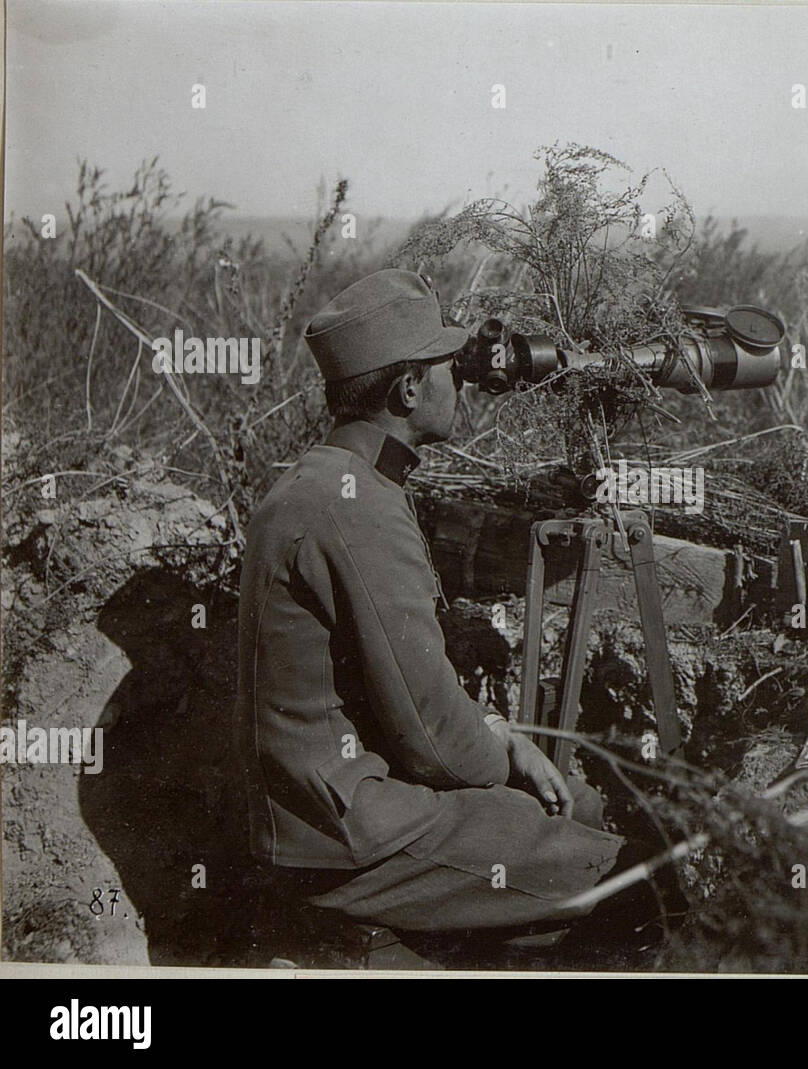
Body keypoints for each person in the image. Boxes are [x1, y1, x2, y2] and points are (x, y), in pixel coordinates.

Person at [236, 269, 626, 941]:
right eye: (450, 364)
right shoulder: (359, 509)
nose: (463, 379)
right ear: (409, 388)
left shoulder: (322, 482)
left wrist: (498, 739)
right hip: (354, 839)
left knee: (575, 808)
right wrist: (503, 750)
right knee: (626, 877)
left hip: (319, 816)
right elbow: (437, 743)